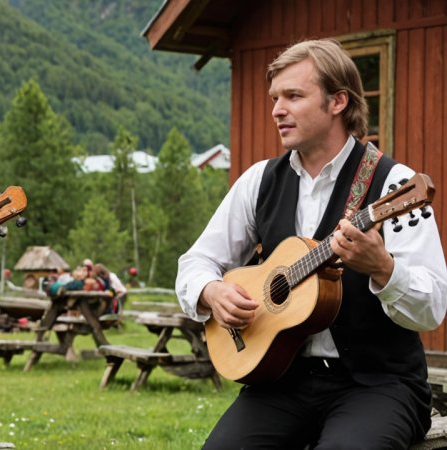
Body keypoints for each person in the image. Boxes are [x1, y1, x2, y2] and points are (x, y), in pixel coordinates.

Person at [176, 39, 447, 449]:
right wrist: (211, 291)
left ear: (338, 101)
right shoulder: (259, 181)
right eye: (275, 98)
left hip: (378, 385)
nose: (276, 110)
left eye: (293, 96)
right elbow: (195, 262)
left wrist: (383, 268)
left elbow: (432, 309)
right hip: (281, 382)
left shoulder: (395, 185)